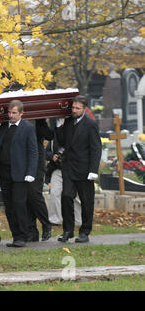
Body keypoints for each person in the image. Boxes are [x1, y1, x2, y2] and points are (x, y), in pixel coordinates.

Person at [55, 96, 102, 243]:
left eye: (77, 108)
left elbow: (96, 148)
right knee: (66, 197)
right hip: (69, 168)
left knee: (87, 201)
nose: (74, 110)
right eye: (73, 107)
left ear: (85, 109)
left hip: (85, 169)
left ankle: (84, 232)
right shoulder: (68, 122)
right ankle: (68, 231)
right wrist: (58, 125)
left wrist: (93, 170)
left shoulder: (91, 124)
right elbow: (62, 141)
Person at [0, 100, 38, 247]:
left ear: (21, 113)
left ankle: (23, 236)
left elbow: (33, 151)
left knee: (19, 204)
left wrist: (31, 172)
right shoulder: (3, 128)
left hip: (20, 173)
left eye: (14, 113)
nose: (11, 116)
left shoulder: (28, 128)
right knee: (9, 206)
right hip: (5, 172)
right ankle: (16, 236)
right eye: (9, 112)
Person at [25, 119, 53, 242]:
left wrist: (39, 121)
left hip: (36, 161)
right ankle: (32, 231)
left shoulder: (39, 121)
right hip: (22, 160)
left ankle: (46, 224)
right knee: (26, 196)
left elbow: (49, 135)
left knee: (34, 193)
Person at [45, 136, 83, 226]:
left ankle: (78, 220)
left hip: (73, 170)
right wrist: (52, 156)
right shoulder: (54, 138)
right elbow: (46, 153)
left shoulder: (76, 134)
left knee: (76, 196)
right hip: (57, 169)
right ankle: (54, 219)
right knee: (54, 193)